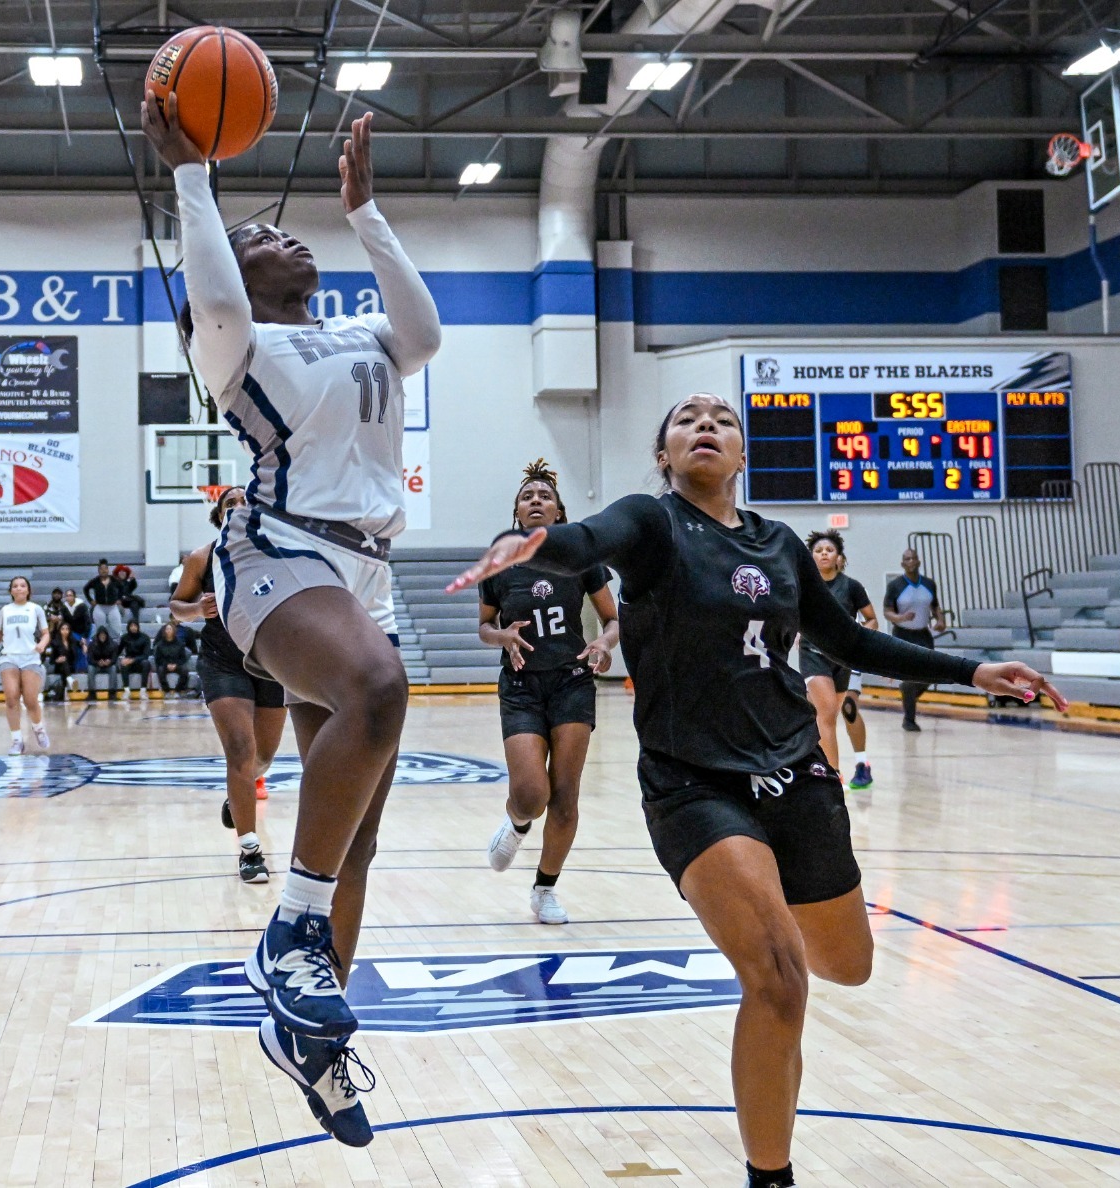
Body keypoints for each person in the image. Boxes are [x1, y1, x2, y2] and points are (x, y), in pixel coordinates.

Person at [451, 394, 1062, 1188]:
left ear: (742, 455)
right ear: (664, 453)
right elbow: (582, 541)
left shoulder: (778, 545)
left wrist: (970, 670)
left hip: (796, 770)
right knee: (777, 973)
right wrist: (528, 544)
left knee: (847, 965)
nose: (706, 425)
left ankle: (766, 919)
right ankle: (770, 1174)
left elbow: (845, 641)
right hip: (691, 780)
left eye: (723, 421)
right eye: (685, 420)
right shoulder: (650, 523)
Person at [145, 95, 442, 1148]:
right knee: (378, 689)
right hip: (275, 553)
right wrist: (191, 180)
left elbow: (424, 331)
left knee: (355, 836)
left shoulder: (362, 333)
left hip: (362, 572)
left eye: (281, 227)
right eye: (251, 237)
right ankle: (289, 939)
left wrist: (365, 212)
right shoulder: (235, 348)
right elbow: (212, 297)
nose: (276, 232)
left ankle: (308, 1044)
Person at [477, 459, 619, 926]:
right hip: (520, 684)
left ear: (559, 512)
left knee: (565, 795)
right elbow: (483, 627)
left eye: (544, 496)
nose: (535, 500)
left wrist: (603, 641)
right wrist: (503, 636)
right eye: (527, 496)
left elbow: (614, 619)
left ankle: (544, 888)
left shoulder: (581, 559)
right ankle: (518, 823)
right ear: (516, 513)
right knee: (531, 792)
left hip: (571, 682)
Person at [170, 487, 287, 884]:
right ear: (219, 515)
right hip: (223, 664)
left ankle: (236, 798)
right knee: (240, 749)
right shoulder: (202, 558)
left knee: (263, 759)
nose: (237, 507)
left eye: (244, 503)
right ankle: (250, 850)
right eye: (229, 503)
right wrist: (195, 609)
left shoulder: (273, 551)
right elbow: (176, 606)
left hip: (269, 662)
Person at [799, 530, 878, 789]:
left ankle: (857, 763)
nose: (824, 553)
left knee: (843, 710)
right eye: (819, 550)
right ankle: (832, 777)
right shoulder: (803, 585)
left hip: (844, 657)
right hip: (813, 654)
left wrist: (863, 636)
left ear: (839, 558)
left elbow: (871, 618)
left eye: (829, 550)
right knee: (827, 712)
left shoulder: (852, 587)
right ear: (811, 557)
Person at [881, 549, 945, 732]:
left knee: (931, 673)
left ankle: (907, 693)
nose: (911, 561)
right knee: (909, 678)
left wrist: (940, 620)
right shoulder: (895, 586)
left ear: (918, 562)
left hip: (923, 634)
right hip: (902, 635)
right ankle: (909, 720)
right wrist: (900, 618)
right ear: (903, 564)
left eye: (913, 558)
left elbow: (935, 606)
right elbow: (887, 611)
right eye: (907, 559)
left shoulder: (929, 584)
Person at [0, 576, 50, 753]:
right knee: (11, 698)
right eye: (15, 586)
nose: (19, 588)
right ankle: (17, 740)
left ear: (28, 590)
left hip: (30, 657)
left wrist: (42, 645)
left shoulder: (35, 609)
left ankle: (38, 728)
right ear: (11, 591)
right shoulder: (5, 610)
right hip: (9, 657)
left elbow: (46, 633)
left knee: (31, 700)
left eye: (22, 585)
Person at [85, 559, 128, 640]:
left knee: (117, 628)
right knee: (100, 629)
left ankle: (119, 646)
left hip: (113, 607)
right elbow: (86, 589)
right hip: (100, 607)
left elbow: (122, 588)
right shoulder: (95, 581)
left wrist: (119, 598)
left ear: (108, 570)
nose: (103, 571)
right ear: (98, 570)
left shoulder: (114, 579)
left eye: (105, 568)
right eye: (101, 569)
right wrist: (90, 600)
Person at [153, 621, 194, 696]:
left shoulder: (180, 643)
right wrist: (166, 665)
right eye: (167, 629)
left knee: (185, 670)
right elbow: (158, 659)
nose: (168, 631)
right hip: (165, 665)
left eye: (170, 629)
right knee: (160, 670)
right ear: (164, 631)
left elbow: (183, 658)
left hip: (176, 664)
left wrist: (176, 665)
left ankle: (178, 690)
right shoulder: (160, 644)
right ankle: (166, 691)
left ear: (174, 631)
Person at [117, 618, 154, 702]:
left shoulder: (145, 638)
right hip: (129, 663)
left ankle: (143, 691)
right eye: (131, 626)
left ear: (138, 627)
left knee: (146, 663)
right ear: (128, 627)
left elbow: (146, 655)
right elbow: (117, 651)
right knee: (123, 663)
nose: (133, 628)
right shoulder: (124, 638)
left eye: (135, 626)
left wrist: (133, 660)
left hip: (140, 662)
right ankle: (127, 691)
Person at [43, 615, 77, 702]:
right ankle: (69, 681)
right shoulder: (55, 643)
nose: (65, 631)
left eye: (67, 629)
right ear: (60, 630)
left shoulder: (72, 641)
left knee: (65, 664)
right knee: (63, 663)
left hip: (70, 666)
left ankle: (65, 689)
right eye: (63, 629)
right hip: (58, 666)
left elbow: (74, 657)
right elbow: (51, 660)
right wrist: (57, 660)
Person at [86, 626, 122, 700]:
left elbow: (115, 658)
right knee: (90, 668)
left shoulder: (113, 644)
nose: (102, 636)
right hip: (96, 665)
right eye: (101, 635)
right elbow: (89, 659)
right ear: (98, 635)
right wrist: (97, 662)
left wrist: (109, 662)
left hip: (108, 666)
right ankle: (92, 693)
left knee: (113, 668)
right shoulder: (92, 644)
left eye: (104, 634)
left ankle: (112, 693)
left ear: (107, 635)